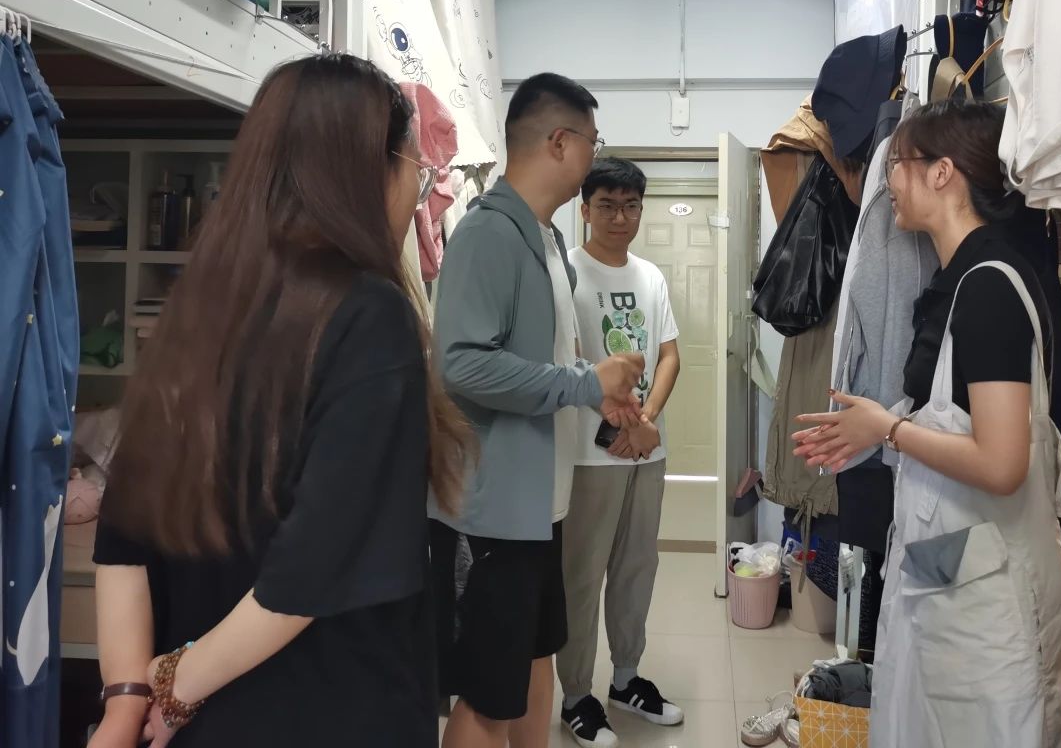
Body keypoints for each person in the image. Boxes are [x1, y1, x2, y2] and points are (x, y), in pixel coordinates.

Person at [88, 53, 471, 748]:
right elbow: (314, 563)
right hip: (329, 708)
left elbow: (123, 529)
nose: (415, 195)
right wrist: (173, 687)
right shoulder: (369, 314)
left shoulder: (196, 310)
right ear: (366, 171)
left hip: (197, 720)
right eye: (416, 173)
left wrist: (125, 700)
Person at [793, 100, 1061, 748]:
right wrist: (876, 423)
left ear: (942, 172)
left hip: (992, 593)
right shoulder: (959, 277)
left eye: (897, 164)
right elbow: (954, 413)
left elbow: (1002, 463)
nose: (887, 180)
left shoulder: (990, 286)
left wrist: (885, 431)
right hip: (956, 559)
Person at [430, 73, 645, 748]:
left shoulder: (547, 241)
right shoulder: (487, 234)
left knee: (535, 662)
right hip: (490, 517)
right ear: (559, 142)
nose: (593, 153)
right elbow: (463, 364)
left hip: (540, 508)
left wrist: (601, 393)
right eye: (591, 141)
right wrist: (583, 384)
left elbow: (546, 361)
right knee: (488, 699)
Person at [557, 158, 683, 747]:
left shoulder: (650, 276)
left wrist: (646, 420)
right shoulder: (567, 272)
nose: (619, 217)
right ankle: (575, 695)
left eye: (630, 206)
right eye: (607, 205)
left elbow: (670, 356)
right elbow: (568, 360)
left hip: (646, 451)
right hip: (590, 453)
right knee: (582, 577)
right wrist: (619, 423)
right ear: (585, 209)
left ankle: (626, 678)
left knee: (636, 568)